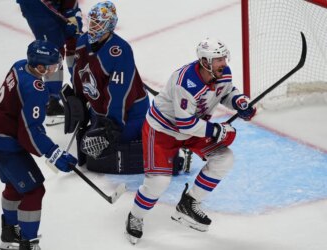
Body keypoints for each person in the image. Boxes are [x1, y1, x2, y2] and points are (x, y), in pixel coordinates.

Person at [124, 38, 257, 244]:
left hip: (194, 128)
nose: (223, 62)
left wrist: (239, 102)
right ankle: (136, 216)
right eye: (217, 59)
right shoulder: (185, 83)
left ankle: (189, 202)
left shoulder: (223, 72)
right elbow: (184, 124)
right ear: (205, 62)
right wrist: (217, 130)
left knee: (224, 159)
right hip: (163, 131)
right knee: (158, 182)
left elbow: (226, 92)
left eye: (223, 57)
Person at [0, 40, 78, 250]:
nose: (55, 68)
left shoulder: (20, 64)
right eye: (51, 66)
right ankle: (28, 243)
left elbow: (21, 102)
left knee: (14, 185)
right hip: (2, 139)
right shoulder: (34, 89)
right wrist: (55, 153)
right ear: (39, 67)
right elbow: (30, 133)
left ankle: (9, 235)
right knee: (34, 190)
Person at [69, 1, 150, 174]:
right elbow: (78, 73)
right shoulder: (83, 41)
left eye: (98, 23)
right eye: (92, 22)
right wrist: (79, 103)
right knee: (90, 147)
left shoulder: (120, 50)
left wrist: (113, 125)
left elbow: (119, 94)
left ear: (110, 25)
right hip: (100, 111)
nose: (93, 27)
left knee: (113, 148)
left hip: (129, 113)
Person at [16, 0, 83, 124]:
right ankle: (51, 100)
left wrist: (72, 14)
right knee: (52, 50)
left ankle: (80, 89)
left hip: (56, 3)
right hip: (37, 6)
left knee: (75, 38)